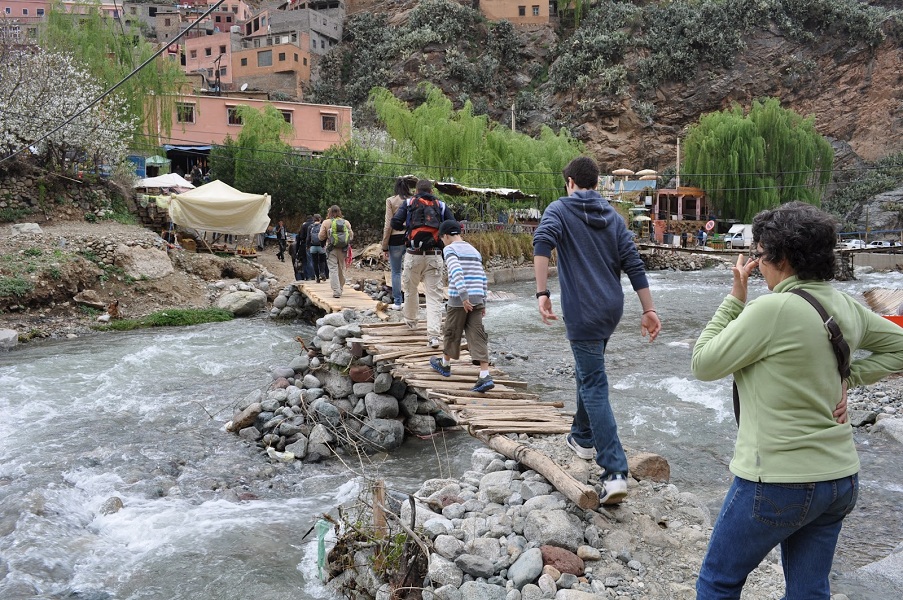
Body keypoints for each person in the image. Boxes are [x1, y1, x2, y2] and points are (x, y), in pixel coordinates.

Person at [692, 202, 903, 599]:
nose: (758, 265)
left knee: (718, 581)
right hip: (839, 480)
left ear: (782, 258)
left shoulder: (771, 309)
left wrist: (735, 298)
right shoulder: (846, 306)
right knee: (809, 590)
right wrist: (848, 376)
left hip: (776, 481)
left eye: (759, 255)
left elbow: (703, 362)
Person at [533, 156, 661, 505]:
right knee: (588, 371)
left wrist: (542, 292)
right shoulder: (615, 218)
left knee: (593, 382)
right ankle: (582, 437)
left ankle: (615, 470)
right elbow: (633, 263)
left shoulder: (559, 209)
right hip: (611, 309)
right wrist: (648, 309)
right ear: (596, 182)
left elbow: (542, 244)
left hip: (583, 310)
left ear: (571, 182)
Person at [429, 219, 494, 393]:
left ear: (447, 236)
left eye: (442, 238)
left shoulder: (450, 249)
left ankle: (445, 364)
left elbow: (456, 271)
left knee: (451, 330)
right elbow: (482, 276)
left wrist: (464, 297)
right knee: (477, 334)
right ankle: (484, 374)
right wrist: (483, 301)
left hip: (459, 299)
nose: (443, 242)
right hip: (478, 297)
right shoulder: (474, 250)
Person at [391, 179, 454, 348]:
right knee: (434, 296)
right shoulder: (440, 205)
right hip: (434, 255)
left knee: (410, 289)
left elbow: (394, 223)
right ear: (431, 191)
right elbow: (453, 225)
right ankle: (433, 336)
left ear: (416, 190)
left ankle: (411, 322)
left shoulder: (409, 202)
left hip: (413, 255)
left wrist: (409, 226)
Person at [382, 178, 411, 311]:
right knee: (410, 270)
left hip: (395, 238)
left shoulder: (391, 200)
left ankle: (398, 302)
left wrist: (384, 245)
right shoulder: (413, 200)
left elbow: (388, 225)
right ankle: (409, 300)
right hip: (410, 238)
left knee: (396, 272)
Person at [319, 205, 353, 298]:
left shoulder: (326, 222)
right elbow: (351, 236)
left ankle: (336, 291)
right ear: (339, 212)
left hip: (331, 248)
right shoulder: (346, 222)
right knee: (341, 268)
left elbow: (321, 236)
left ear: (330, 213)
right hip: (343, 249)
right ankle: (341, 288)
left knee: (333, 269)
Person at [296, 214, 314, 280]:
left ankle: (307, 276)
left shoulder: (304, 225)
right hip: (315, 244)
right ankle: (314, 275)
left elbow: (301, 236)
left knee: (305, 261)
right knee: (313, 261)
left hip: (305, 245)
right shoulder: (316, 225)